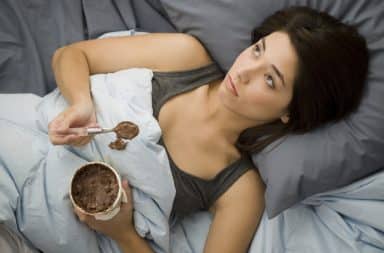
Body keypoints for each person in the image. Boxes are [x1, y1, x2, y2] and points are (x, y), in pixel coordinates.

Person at [48, 6, 369, 253]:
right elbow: (71, 55)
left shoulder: (241, 191)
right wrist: (81, 103)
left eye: (270, 79)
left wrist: (122, 233)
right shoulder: (185, 56)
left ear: (290, 111)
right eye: (258, 50)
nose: (244, 71)